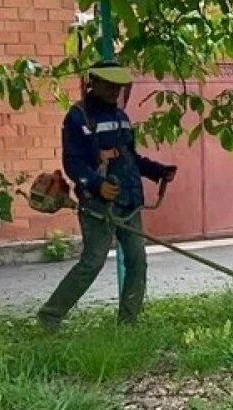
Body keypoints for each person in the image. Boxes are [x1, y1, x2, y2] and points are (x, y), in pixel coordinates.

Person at [37, 61, 176, 330]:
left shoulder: (121, 117)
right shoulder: (78, 117)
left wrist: (157, 171)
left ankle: (128, 322)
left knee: (137, 260)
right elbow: (73, 163)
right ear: (94, 83)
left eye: (119, 85)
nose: (115, 90)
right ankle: (49, 317)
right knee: (93, 261)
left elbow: (130, 158)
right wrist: (96, 184)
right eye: (109, 85)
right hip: (97, 204)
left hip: (129, 203)